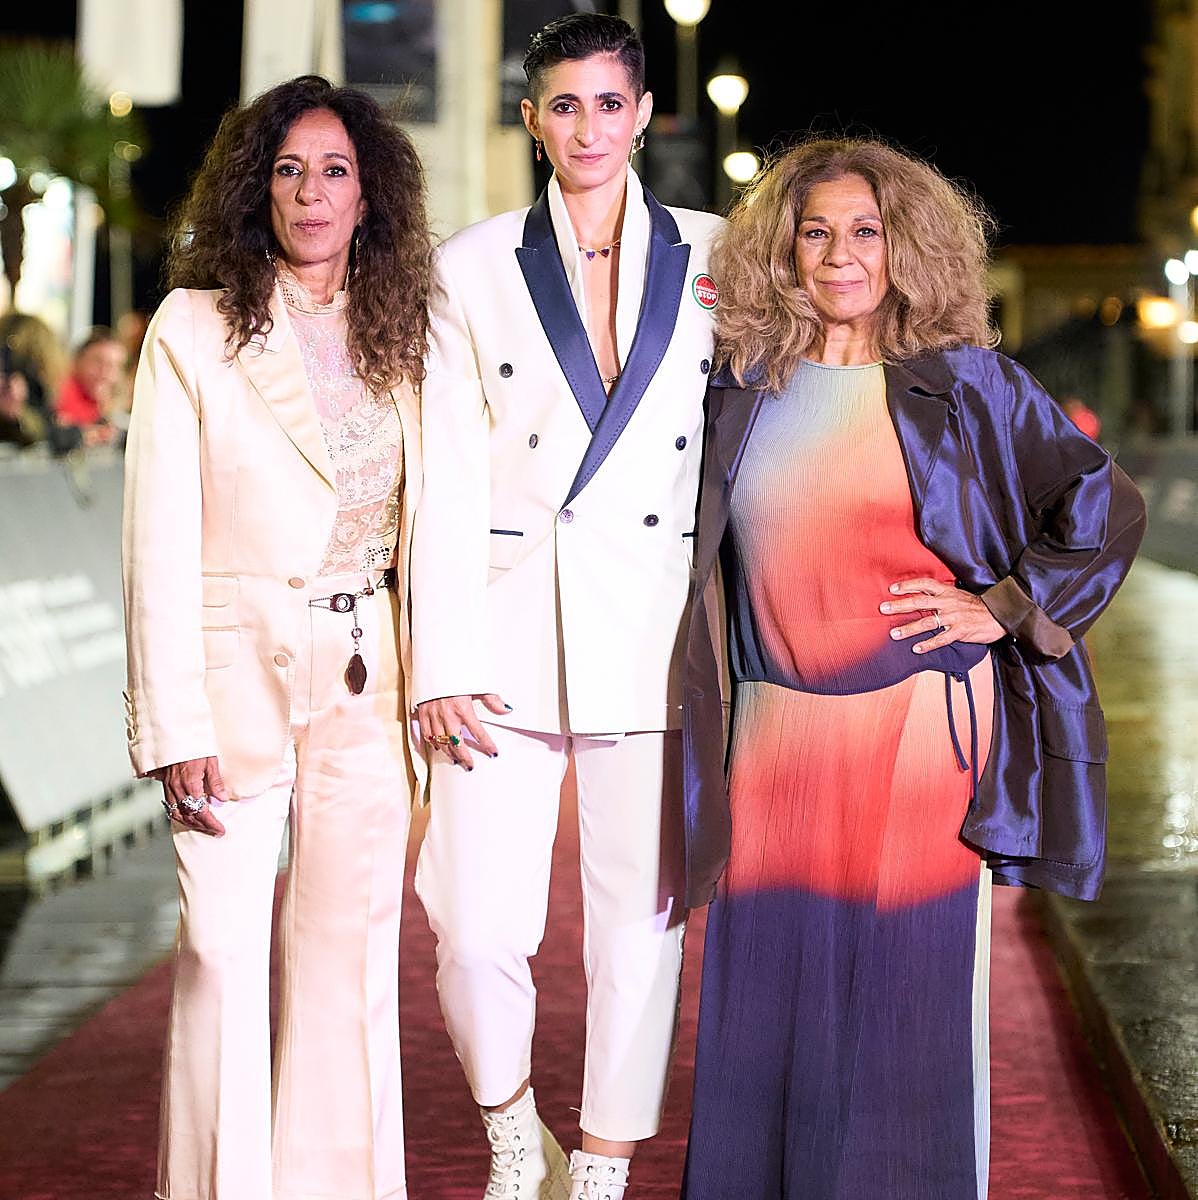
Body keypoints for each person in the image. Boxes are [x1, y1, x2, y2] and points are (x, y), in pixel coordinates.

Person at [677, 138, 1146, 1199]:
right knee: (765, 1015)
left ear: (906, 247)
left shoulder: (970, 387)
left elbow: (1104, 506)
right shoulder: (740, 390)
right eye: (815, 231)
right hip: (772, 735)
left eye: (865, 231)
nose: (838, 254)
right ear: (781, 250)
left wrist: (1001, 606)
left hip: (918, 730)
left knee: (903, 1010)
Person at [409, 13, 723, 1200]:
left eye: (609, 104)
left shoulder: (718, 251)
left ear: (644, 115)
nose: (587, 127)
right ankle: (508, 1131)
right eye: (563, 104)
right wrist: (436, 656)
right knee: (474, 923)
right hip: (498, 633)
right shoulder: (471, 265)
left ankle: (600, 1162)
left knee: (636, 931)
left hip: (649, 632)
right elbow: (437, 468)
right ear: (531, 117)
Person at [122, 74, 430, 1200]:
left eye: (335, 170)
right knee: (215, 957)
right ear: (257, 189)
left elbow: (437, 524)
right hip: (227, 680)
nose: (311, 192)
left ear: (369, 195)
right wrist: (170, 720)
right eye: (288, 169)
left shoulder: (409, 329)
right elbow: (153, 535)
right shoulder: (192, 328)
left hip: (366, 678)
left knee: (345, 965)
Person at [56, 326, 124, 443]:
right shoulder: (58, 392)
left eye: (112, 366)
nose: (104, 373)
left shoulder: (110, 403)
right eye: (97, 361)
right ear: (78, 361)